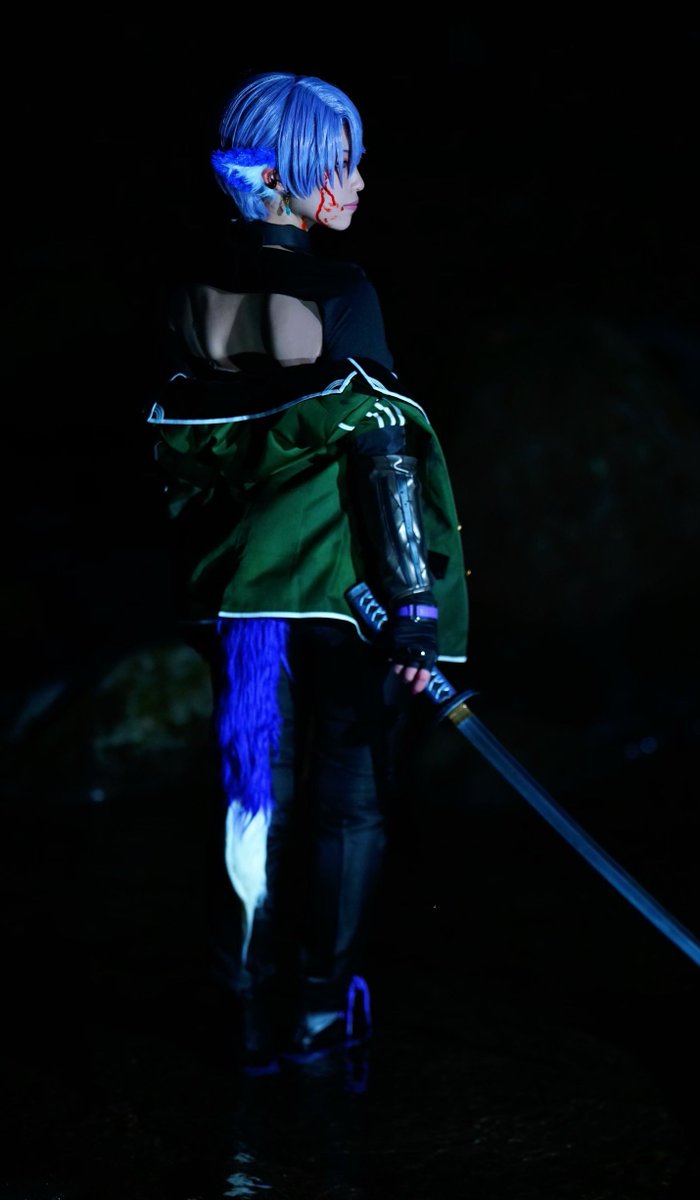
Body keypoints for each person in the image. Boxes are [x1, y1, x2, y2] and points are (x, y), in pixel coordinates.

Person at [145, 71, 469, 1074]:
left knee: (252, 796)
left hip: (241, 598)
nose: (360, 182)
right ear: (289, 175)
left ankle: (239, 1015)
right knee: (348, 800)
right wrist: (413, 607)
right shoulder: (341, 293)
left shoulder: (187, 297)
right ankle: (320, 1015)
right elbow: (381, 451)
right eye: (343, 163)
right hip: (343, 598)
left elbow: (195, 464)